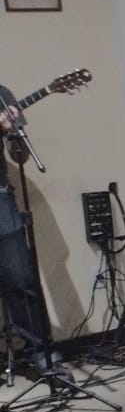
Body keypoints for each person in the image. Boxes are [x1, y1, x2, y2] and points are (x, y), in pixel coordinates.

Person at [1, 90, 50, 357]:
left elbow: (20, 158)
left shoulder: (1, 94)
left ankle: (40, 352)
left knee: (20, 276)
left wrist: (13, 133)